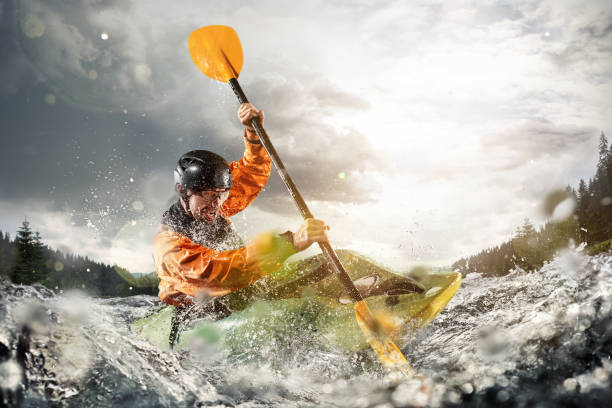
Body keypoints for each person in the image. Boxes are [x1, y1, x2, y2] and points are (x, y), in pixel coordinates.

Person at [153, 103, 330, 308]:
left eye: (222, 194)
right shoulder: (168, 245)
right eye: (209, 194)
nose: (216, 203)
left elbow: (251, 173)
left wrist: (254, 132)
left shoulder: (213, 202)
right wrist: (290, 243)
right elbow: (215, 273)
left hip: (240, 288)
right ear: (183, 191)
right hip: (196, 307)